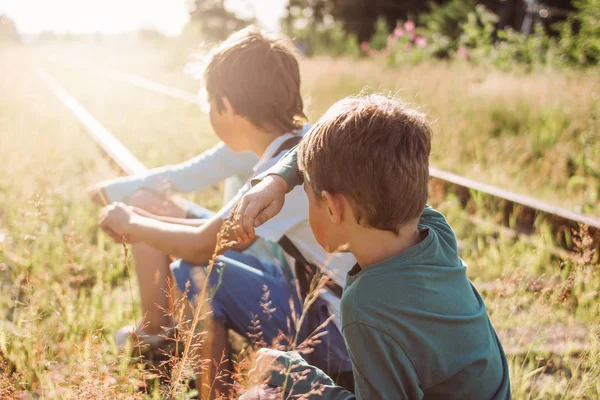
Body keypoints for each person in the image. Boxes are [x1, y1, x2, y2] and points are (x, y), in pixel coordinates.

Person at [97, 26, 355, 398]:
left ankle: (214, 392)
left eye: (209, 104)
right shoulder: (305, 143)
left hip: (340, 335)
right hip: (344, 312)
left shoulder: (278, 175)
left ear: (226, 105)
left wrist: (132, 223)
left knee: (195, 273)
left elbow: (204, 245)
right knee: (203, 267)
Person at [234, 94, 511, 399]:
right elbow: (316, 141)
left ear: (331, 207)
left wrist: (300, 377)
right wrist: (279, 180)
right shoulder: (434, 230)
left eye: (308, 195)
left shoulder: (365, 304)